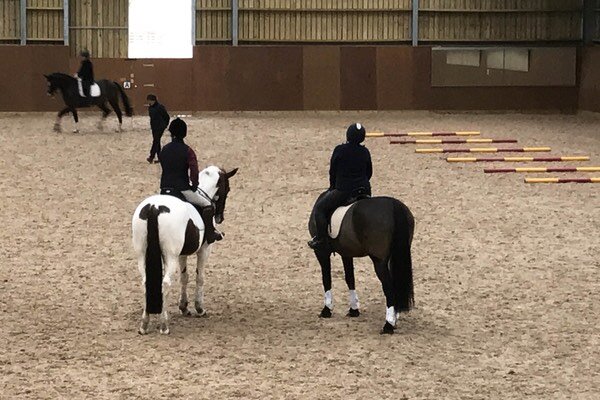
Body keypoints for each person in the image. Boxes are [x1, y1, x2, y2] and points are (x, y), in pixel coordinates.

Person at [308, 123, 372, 251]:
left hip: (344, 190)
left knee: (320, 209)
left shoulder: (340, 150)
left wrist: (333, 186)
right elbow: (369, 172)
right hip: (364, 190)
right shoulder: (365, 151)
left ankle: (321, 239)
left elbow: (333, 171)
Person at [159, 118, 223, 244]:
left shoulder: (164, 150)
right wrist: (194, 185)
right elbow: (194, 171)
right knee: (207, 205)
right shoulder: (188, 151)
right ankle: (210, 234)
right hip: (181, 189)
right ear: (184, 133)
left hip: (164, 189)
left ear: (171, 133)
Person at [146, 94, 170, 163]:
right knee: (157, 142)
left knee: (155, 141)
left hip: (160, 127)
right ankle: (160, 157)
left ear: (153, 100)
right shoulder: (150, 108)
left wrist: (165, 125)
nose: (149, 102)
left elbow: (166, 116)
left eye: (150, 101)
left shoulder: (160, 107)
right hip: (154, 127)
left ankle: (151, 156)